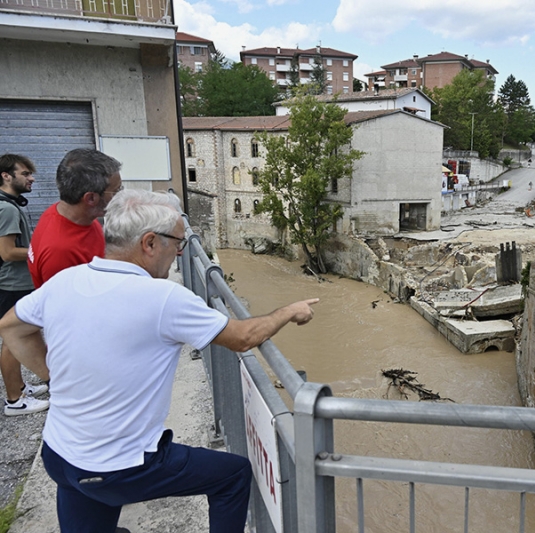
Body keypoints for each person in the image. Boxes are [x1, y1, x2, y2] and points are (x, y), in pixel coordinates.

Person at [0, 189, 318, 532]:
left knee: (88, 494)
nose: (180, 252)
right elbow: (243, 337)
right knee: (233, 475)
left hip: (59, 455)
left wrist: (55, 378)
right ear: (150, 243)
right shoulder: (163, 297)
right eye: (177, 243)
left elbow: (11, 328)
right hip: (117, 467)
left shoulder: (66, 280)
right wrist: (289, 311)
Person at [28, 148, 123, 288]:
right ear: (91, 198)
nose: (120, 196)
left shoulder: (76, 216)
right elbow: (67, 307)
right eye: (116, 191)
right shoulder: (60, 252)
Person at [0, 154, 48, 416]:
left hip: (16, 282)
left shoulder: (10, 205)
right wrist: (39, 251)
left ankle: (19, 386)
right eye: (25, 173)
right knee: (13, 338)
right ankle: (14, 400)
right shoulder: (6, 209)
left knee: (24, 334)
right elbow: (7, 252)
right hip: (13, 284)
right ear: (6, 176)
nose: (31, 178)